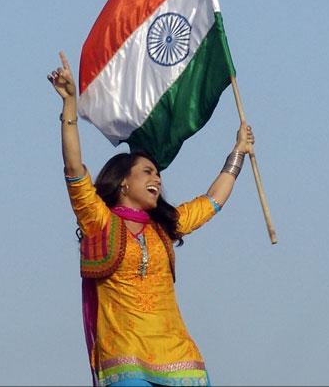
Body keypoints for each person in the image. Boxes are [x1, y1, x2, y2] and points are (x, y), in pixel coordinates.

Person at [48, 52, 255, 387]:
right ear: (124, 182)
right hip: (126, 357)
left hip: (179, 356)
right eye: (147, 172)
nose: (156, 178)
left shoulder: (164, 224)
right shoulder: (99, 220)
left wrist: (238, 152)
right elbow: (74, 169)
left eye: (157, 174)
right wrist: (69, 106)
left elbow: (212, 201)